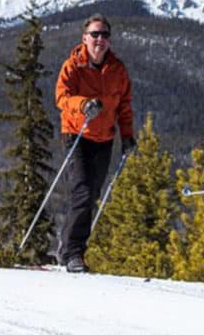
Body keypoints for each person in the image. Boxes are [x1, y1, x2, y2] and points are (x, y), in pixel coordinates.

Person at [54, 14, 136, 273]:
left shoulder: (117, 70)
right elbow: (61, 97)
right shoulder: (73, 66)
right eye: (95, 34)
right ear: (84, 38)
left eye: (104, 35)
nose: (100, 39)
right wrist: (83, 105)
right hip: (77, 134)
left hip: (104, 138)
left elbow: (124, 106)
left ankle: (66, 245)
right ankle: (73, 253)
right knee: (82, 191)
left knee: (92, 196)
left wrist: (128, 136)